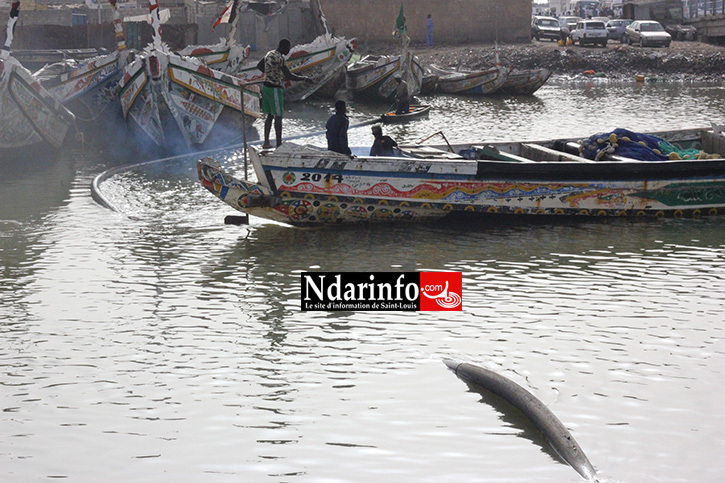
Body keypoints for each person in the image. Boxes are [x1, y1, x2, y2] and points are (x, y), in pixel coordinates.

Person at [257, 38, 313, 149]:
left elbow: (259, 66)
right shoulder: (280, 58)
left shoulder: (269, 54)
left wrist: (269, 73)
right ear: (283, 47)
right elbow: (289, 76)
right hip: (274, 89)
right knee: (278, 116)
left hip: (265, 87)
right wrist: (305, 78)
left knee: (269, 115)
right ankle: (279, 145)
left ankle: (266, 143)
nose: (289, 51)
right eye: (288, 48)